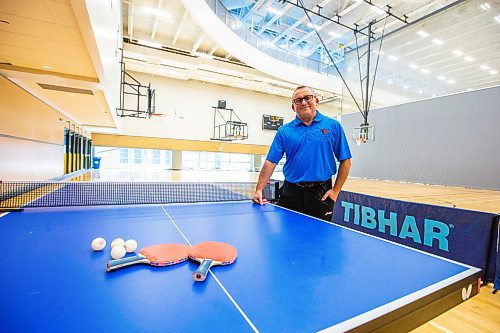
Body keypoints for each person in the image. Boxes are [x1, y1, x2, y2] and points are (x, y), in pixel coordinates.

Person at [252, 85, 352, 221]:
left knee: (321, 237)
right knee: (288, 235)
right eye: (298, 100)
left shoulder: (333, 126)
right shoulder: (284, 131)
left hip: (321, 193)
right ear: (293, 107)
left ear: (316, 101)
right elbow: (271, 162)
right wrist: (259, 190)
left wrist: (336, 191)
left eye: (307, 98)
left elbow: (345, 160)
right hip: (291, 193)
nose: (303, 102)